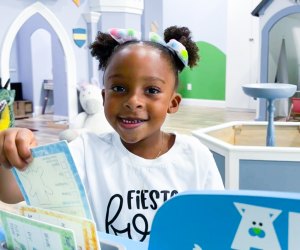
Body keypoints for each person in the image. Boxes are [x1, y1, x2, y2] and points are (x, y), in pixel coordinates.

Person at [0, 26, 224, 242]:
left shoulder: (195, 156)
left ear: (172, 103)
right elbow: (10, 193)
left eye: (152, 90)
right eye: (119, 88)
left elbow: (216, 224)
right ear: (104, 96)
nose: (133, 101)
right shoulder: (86, 150)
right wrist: (9, 152)